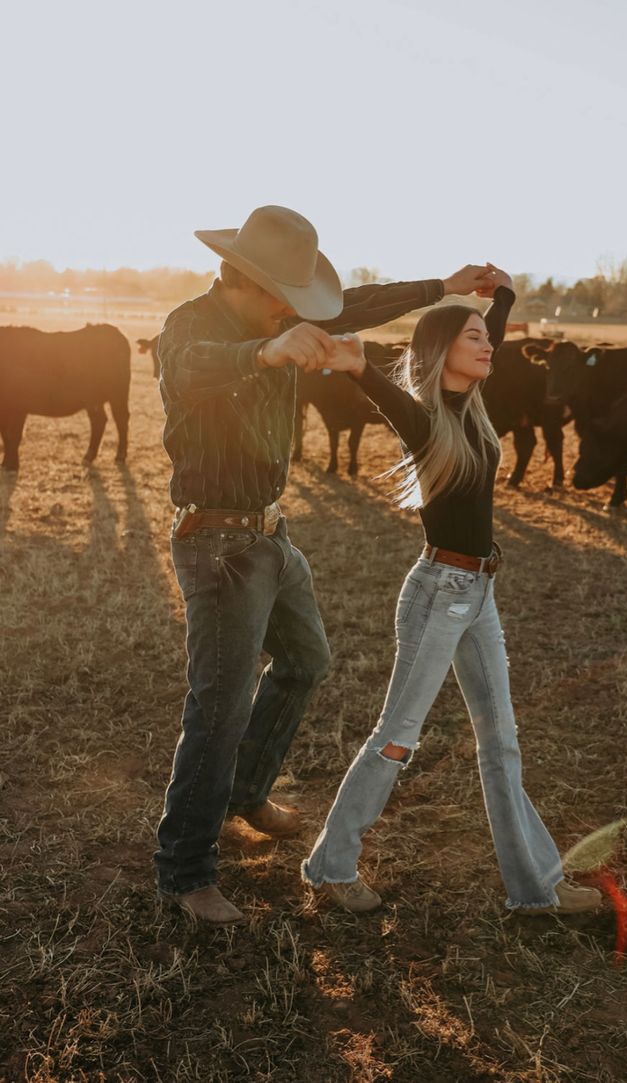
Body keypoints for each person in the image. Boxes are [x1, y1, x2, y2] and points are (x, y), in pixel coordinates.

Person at [154, 204, 498, 925]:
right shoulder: (195, 326)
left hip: (272, 535)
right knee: (218, 707)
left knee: (307, 660)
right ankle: (186, 869)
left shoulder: (281, 319)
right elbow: (187, 372)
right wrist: (266, 353)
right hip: (216, 542)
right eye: (292, 300)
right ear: (257, 284)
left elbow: (356, 305)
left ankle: (247, 791)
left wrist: (443, 285)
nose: (306, 313)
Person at [301, 271, 603, 916]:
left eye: (486, 337)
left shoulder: (471, 405)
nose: (489, 345)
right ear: (443, 352)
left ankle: (535, 890)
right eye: (475, 339)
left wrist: (501, 304)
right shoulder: (427, 418)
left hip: (479, 590)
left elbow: (483, 334)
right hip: (440, 591)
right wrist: (359, 369)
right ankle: (331, 866)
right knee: (398, 736)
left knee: (502, 741)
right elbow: (396, 396)